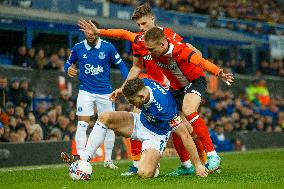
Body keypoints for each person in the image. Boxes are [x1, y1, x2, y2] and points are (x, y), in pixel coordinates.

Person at [78, 22, 234, 173]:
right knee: (180, 126)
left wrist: (219, 72)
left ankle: (212, 155)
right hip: (175, 86)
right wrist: (99, 32)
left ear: (162, 45)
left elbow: (200, 60)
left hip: (193, 81)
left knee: (188, 113)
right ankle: (186, 166)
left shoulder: (179, 49)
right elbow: (124, 34)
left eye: (151, 50)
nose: (149, 54)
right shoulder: (147, 41)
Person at [62, 78, 208, 178]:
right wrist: (120, 90)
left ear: (142, 97)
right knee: (104, 117)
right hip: (139, 122)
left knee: (144, 173)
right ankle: (83, 160)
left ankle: (152, 164)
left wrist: (198, 166)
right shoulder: (142, 84)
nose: (133, 104)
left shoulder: (164, 107)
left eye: (133, 101)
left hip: (156, 136)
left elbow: (185, 136)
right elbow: (132, 82)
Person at [62, 20, 128, 169]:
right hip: (86, 91)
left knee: (109, 126)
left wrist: (128, 81)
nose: (89, 34)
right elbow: (68, 63)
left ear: (97, 30)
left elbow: (122, 65)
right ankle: (79, 159)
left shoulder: (108, 47)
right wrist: (67, 68)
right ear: (83, 32)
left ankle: (108, 160)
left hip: (105, 92)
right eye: (86, 31)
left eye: (92, 31)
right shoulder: (78, 48)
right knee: (82, 123)